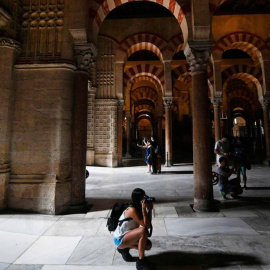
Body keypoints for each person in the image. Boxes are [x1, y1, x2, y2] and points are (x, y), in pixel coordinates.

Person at [113, 188, 155, 270]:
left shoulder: (138, 208)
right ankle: (141, 261)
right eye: (143, 198)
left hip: (127, 235)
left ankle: (124, 249)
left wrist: (149, 210)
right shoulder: (132, 210)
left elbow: (148, 225)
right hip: (119, 239)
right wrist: (143, 209)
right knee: (143, 231)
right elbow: (145, 227)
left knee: (147, 246)